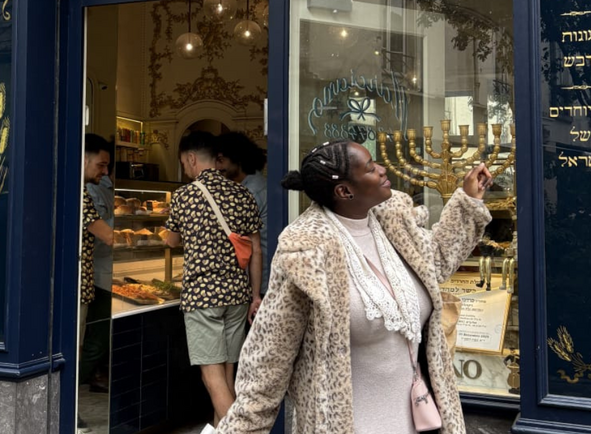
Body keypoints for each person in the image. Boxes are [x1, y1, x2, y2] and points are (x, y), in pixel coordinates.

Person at [217, 139, 492, 434]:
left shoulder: (395, 224)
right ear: (344, 191)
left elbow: (436, 260)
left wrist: (469, 201)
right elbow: (269, 361)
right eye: (371, 168)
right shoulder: (306, 254)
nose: (383, 169)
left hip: (423, 421)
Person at [165, 131, 263, 427]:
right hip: (237, 295)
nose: (185, 168)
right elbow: (255, 250)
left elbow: (172, 240)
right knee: (227, 374)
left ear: (191, 158)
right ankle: (222, 428)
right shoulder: (242, 193)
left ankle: (242, 431)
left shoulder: (185, 195)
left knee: (212, 377)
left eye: (184, 163)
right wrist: (255, 296)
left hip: (202, 296)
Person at [78, 134, 113, 434]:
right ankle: (69, 412)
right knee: (75, 345)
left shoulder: (77, 190)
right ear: (84, 158)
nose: (105, 171)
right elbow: (108, 235)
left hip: (80, 281)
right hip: (76, 284)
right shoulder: (81, 195)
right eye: (101, 165)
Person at [215, 131, 269, 294]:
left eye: (221, 160)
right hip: (259, 278)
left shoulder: (250, 192)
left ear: (237, 159)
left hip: (257, 281)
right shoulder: (254, 185)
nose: (218, 167)